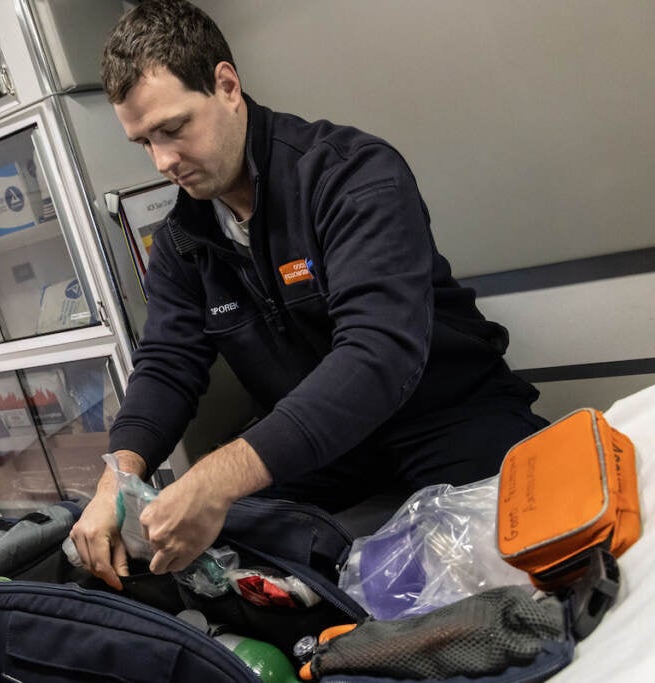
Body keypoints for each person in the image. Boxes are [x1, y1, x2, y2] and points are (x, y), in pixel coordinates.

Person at [70, 0, 547, 590]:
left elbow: (377, 357)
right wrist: (119, 472)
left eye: (173, 129)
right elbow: (168, 364)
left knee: (519, 566)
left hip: (444, 415)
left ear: (226, 85)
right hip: (322, 447)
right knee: (206, 556)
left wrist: (219, 475)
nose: (164, 160)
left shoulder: (352, 176)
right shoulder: (182, 241)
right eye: (144, 142)